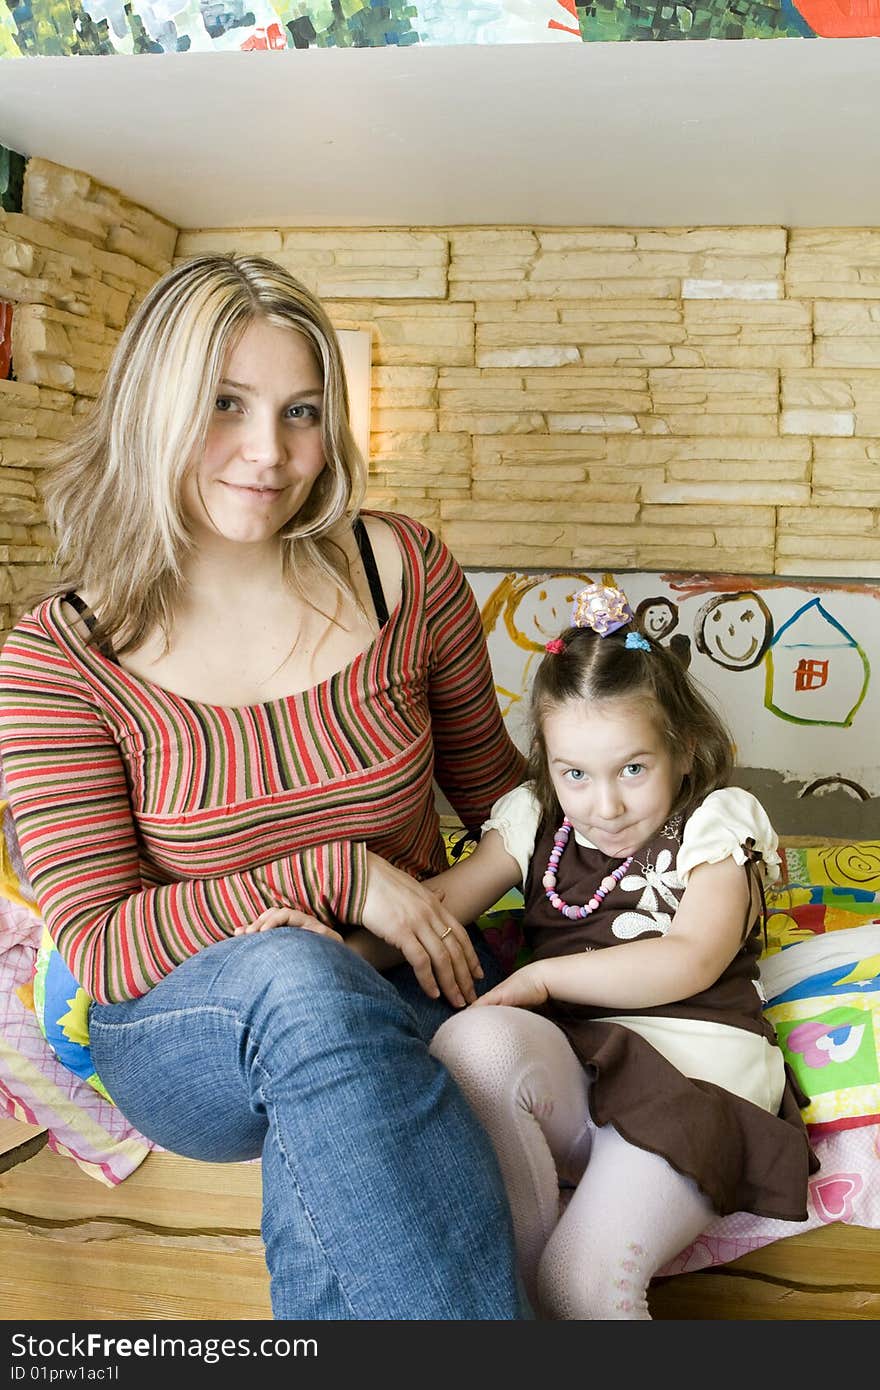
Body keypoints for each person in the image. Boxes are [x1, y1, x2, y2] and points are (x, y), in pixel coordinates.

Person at [0, 253, 530, 1320]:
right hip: (183, 1036)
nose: (269, 452)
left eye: (301, 411)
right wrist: (342, 877)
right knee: (293, 978)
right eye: (226, 404)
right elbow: (104, 941)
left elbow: (509, 807)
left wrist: (400, 927)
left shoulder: (401, 570)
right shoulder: (59, 652)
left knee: (330, 1106)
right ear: (155, 406)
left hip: (398, 989)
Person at [420, 581, 819, 1320]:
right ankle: (520, 1297)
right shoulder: (536, 816)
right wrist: (336, 934)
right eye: (575, 773)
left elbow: (693, 955)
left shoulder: (715, 822)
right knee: (472, 1039)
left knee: (581, 1287)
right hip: (578, 1073)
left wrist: (540, 977)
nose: (604, 806)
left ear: (683, 748)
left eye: (633, 769)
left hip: (692, 1078)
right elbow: (436, 909)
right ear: (549, 762)